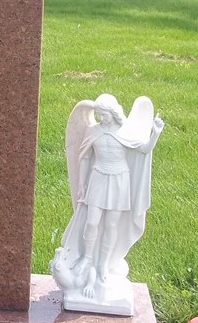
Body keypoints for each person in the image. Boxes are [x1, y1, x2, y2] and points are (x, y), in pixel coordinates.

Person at [52, 94, 164, 304]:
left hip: (119, 180)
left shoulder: (125, 132)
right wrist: (82, 184)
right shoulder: (93, 131)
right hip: (98, 177)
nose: (101, 118)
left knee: (112, 224)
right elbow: (84, 157)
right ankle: (86, 258)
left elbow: (144, 149)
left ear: (113, 112)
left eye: (103, 114)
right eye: (98, 114)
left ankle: (103, 263)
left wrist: (155, 133)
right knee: (92, 221)